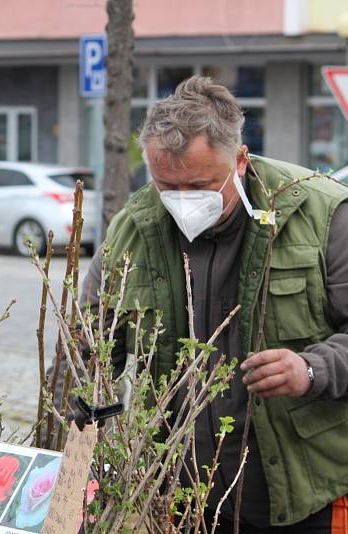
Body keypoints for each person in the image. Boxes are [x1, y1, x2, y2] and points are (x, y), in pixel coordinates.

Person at [59, 76, 348, 531]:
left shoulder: (322, 214)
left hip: (303, 494)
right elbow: (90, 351)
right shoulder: (134, 228)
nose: (181, 201)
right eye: (165, 186)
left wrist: (312, 370)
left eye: (199, 185)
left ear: (240, 160)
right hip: (181, 500)